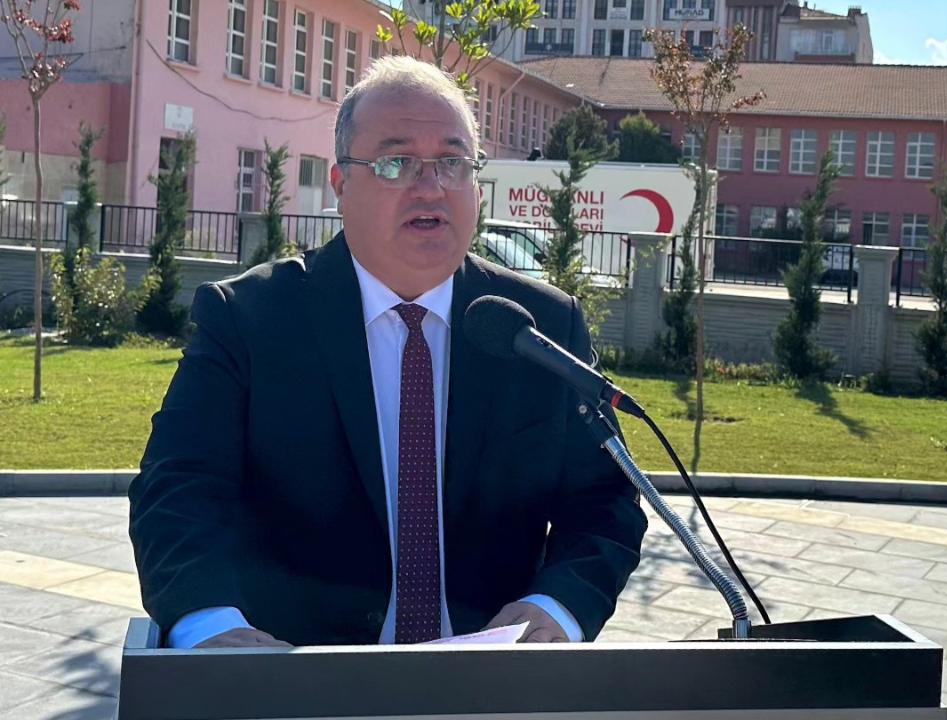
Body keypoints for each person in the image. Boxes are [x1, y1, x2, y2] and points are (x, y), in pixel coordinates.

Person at [128, 56, 647, 649]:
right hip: (297, 676)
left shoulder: (538, 325)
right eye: (396, 163)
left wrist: (559, 607)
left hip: (491, 678)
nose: (431, 187)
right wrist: (212, 626)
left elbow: (604, 500)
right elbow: (178, 489)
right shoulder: (249, 319)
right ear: (341, 184)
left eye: (452, 162)